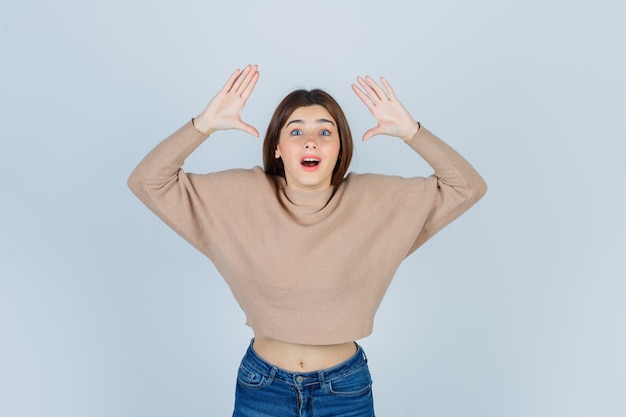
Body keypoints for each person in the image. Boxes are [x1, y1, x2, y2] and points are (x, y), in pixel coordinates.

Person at [128, 64, 487, 417]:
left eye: (325, 132)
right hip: (261, 387)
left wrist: (412, 132)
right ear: (278, 148)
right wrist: (202, 126)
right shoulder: (241, 195)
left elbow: (467, 186)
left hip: (345, 390)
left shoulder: (376, 199)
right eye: (296, 131)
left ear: (339, 147)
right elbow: (148, 181)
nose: (311, 140)